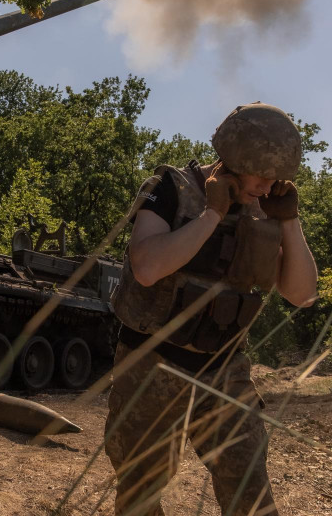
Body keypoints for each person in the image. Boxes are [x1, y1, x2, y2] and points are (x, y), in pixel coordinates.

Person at [104, 103, 317, 515]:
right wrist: (212, 213)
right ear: (234, 157)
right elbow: (147, 268)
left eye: (277, 177)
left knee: (250, 492)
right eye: (261, 173)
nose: (268, 183)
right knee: (140, 495)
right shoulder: (169, 187)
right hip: (153, 365)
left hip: (223, 372)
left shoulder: (263, 209)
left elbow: (302, 294)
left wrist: (289, 223)